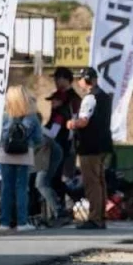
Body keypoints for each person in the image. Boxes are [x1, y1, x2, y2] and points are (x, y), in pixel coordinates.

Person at [67, 67, 113, 230]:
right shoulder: (105, 96)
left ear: (86, 80)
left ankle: (95, 217)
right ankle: (101, 215)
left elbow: (84, 121)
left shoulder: (90, 98)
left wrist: (72, 123)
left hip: (89, 146)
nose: (79, 82)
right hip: (102, 144)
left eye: (80, 79)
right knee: (100, 181)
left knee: (91, 182)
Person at [0, 86, 44, 231]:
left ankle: (4, 222)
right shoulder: (32, 116)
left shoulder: (3, 115)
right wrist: (30, 144)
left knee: (6, 188)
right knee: (22, 188)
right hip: (24, 154)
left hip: (6, 154)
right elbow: (39, 139)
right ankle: (22, 222)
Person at [47, 66, 81, 189]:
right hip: (62, 142)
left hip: (65, 143)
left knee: (63, 178)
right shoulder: (66, 97)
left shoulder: (72, 99)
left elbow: (72, 124)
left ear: (65, 79)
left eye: (57, 78)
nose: (55, 81)